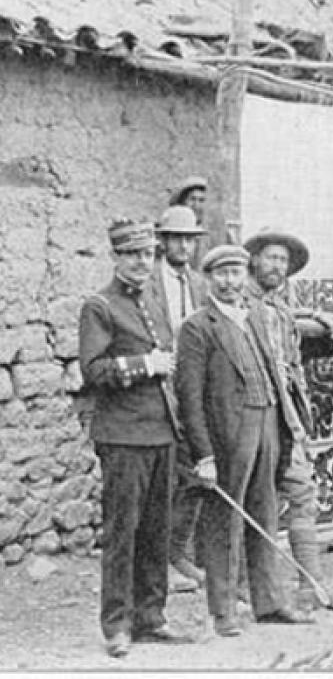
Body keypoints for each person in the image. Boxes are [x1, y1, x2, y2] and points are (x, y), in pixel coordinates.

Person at [176, 245, 312, 637]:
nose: (230, 281)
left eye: (236, 273)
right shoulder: (198, 327)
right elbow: (190, 398)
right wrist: (203, 454)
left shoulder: (253, 318)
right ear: (209, 279)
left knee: (266, 511)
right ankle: (223, 610)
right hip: (228, 435)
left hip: (267, 421)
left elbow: (273, 371)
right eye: (222, 274)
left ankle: (269, 601)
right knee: (223, 521)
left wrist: (287, 426)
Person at [79, 218, 191, 658]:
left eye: (148, 254)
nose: (142, 262)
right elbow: (93, 371)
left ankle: (152, 617)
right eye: (132, 255)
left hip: (161, 432)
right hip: (123, 435)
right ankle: (117, 625)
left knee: (156, 532)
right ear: (116, 257)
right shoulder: (100, 305)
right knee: (123, 531)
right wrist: (147, 365)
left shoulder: (154, 302)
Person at [244, 228, 333, 611]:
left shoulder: (282, 312)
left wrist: (301, 416)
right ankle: (250, 591)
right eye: (270, 257)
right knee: (255, 501)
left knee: (302, 494)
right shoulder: (241, 305)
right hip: (251, 416)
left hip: (285, 417)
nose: (276, 266)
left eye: (283, 261)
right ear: (255, 260)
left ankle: (312, 586)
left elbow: (293, 368)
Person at [154, 205, 207, 591]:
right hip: (157, 387)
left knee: (192, 473)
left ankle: (177, 553)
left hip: (191, 389)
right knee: (162, 476)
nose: (184, 246)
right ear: (163, 241)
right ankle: (158, 563)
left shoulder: (199, 284)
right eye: (177, 239)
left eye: (190, 239)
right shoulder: (148, 283)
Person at [169, 175, 208, 269]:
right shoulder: (171, 231)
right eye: (192, 199)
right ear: (182, 202)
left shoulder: (209, 235)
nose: (196, 205)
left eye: (201, 200)